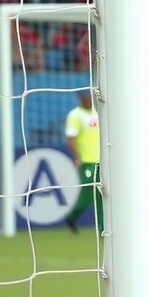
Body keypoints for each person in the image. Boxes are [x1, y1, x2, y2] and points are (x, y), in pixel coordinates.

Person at [63, 91, 102, 233]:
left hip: (103, 161)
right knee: (89, 192)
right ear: (81, 98)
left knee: (102, 194)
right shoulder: (75, 115)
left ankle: (103, 226)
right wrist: (77, 156)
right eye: (86, 96)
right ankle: (72, 217)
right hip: (87, 161)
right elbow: (71, 138)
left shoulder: (99, 113)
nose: (89, 99)